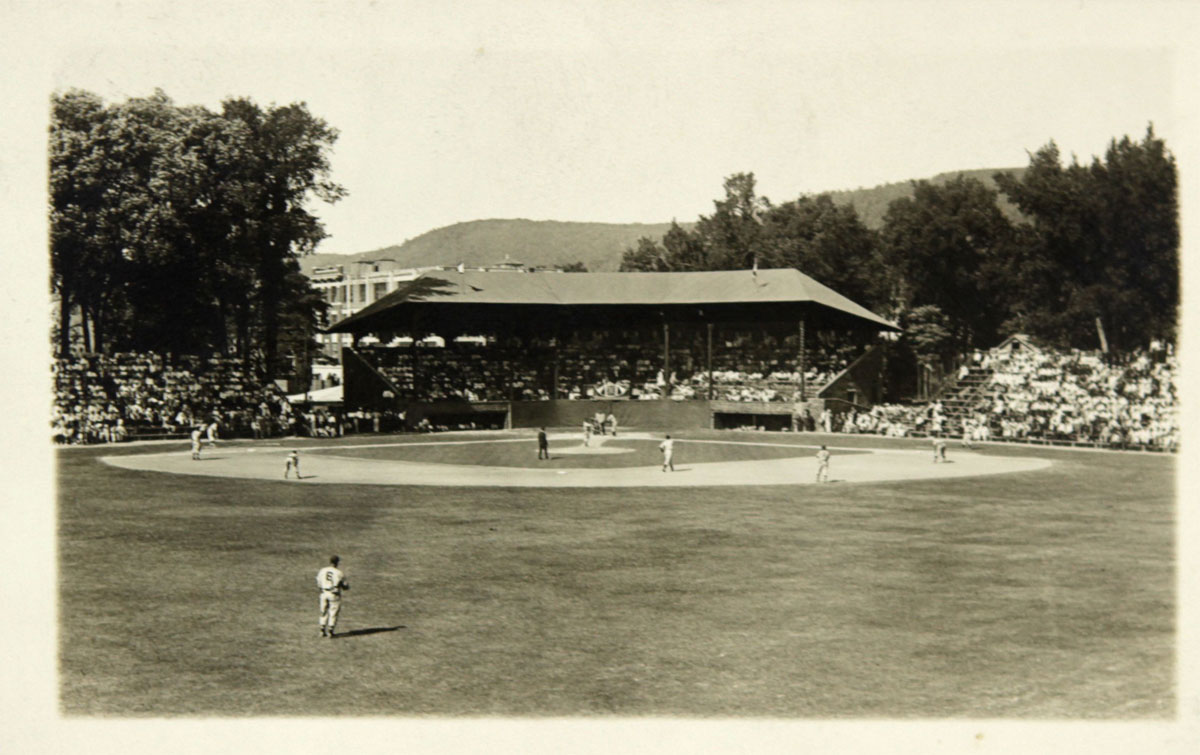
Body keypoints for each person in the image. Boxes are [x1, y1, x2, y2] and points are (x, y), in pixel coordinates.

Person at [316, 555, 349, 638]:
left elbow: (318, 583)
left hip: (323, 593)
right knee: (333, 613)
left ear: (330, 562)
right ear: (337, 563)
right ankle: (330, 631)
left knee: (323, 611)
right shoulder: (339, 573)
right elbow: (345, 586)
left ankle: (321, 630)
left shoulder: (322, 571)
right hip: (334, 594)